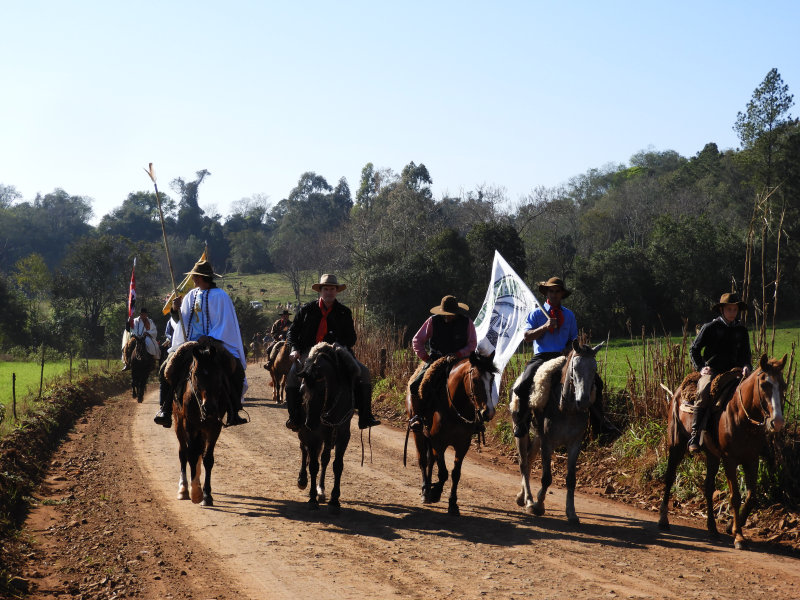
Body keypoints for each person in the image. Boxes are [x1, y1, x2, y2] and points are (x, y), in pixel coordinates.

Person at [154, 260, 249, 428]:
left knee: (237, 369)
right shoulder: (191, 295)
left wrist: (211, 337)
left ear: (200, 276)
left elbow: (226, 323)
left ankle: (234, 411)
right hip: (190, 343)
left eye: (194, 276)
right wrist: (175, 310)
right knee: (165, 368)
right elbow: (181, 321)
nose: (192, 278)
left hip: (215, 344)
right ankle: (165, 410)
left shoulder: (221, 296)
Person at [283, 274, 380, 431]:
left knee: (364, 372)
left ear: (336, 291)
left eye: (332, 289)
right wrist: (294, 349)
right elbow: (292, 331)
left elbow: (351, 337)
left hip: (336, 351)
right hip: (310, 350)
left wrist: (340, 345)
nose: (329, 292)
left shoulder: (344, 312)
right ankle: (294, 417)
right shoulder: (307, 310)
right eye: (326, 289)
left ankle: (365, 416)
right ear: (320, 291)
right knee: (293, 374)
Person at [511, 277, 578, 438]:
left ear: (562, 294)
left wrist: (568, 351)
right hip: (542, 356)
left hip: (563, 356)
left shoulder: (569, 315)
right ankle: (522, 423)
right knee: (525, 382)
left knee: (594, 380)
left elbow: (573, 340)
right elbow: (527, 337)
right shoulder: (536, 314)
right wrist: (545, 326)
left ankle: (598, 422)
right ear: (546, 293)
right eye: (551, 291)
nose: (554, 294)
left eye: (557, 291)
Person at [688, 292, 752, 453]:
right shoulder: (710, 327)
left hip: (734, 372)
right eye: (729, 309)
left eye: (735, 309)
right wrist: (701, 367)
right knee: (703, 391)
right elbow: (694, 349)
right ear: (721, 309)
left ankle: (757, 437)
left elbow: (745, 354)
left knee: (752, 392)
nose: (733, 312)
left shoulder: (741, 331)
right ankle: (695, 435)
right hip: (713, 370)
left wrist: (746, 366)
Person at [407, 295, 478, 432]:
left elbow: (472, 344)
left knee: (476, 382)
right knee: (415, 385)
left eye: (450, 313)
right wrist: (426, 358)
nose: (447, 316)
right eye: (445, 313)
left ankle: (476, 419)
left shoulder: (466, 322)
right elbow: (417, 340)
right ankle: (417, 417)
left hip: (460, 361)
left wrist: (459, 354)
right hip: (436, 361)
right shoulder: (433, 321)